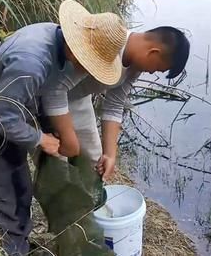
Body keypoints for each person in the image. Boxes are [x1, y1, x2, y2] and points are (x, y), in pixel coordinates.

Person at [0, 0, 127, 256]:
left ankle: (19, 245)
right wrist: (41, 140)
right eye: (88, 64)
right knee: (2, 210)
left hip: (11, 127)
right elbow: (0, 116)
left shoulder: (57, 41)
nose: (85, 71)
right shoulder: (31, 61)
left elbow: (43, 96)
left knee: (21, 195)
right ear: (75, 49)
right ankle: (11, 249)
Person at [41, 25, 191, 182]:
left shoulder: (136, 66)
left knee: (94, 158)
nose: (152, 72)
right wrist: (67, 136)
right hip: (46, 94)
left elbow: (115, 104)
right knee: (57, 161)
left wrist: (110, 154)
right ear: (153, 52)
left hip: (77, 98)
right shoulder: (108, 44)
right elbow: (55, 89)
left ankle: (90, 199)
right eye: (157, 68)